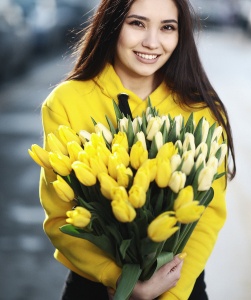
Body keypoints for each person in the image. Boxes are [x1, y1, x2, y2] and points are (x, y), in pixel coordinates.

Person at [39, 0, 236, 299]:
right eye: (137, 23)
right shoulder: (67, 102)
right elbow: (59, 218)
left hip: (179, 286)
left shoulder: (200, 109)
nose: (152, 42)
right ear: (113, 24)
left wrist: (169, 295)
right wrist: (120, 282)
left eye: (167, 27)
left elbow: (207, 215)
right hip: (94, 285)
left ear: (180, 35)